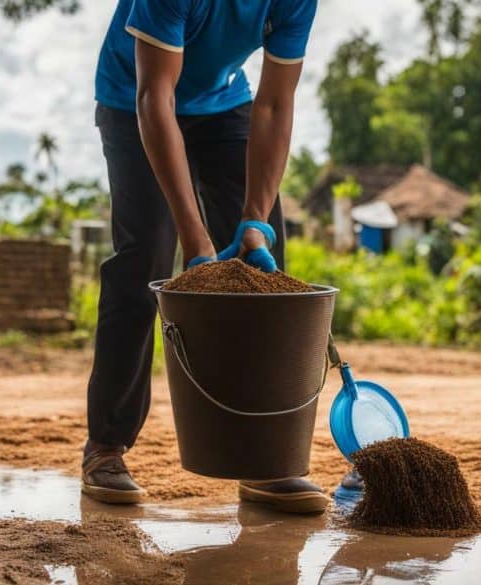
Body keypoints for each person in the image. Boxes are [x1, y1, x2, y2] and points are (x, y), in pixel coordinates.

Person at [82, 0, 326, 514]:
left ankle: (264, 461)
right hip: (135, 101)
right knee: (143, 257)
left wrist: (255, 221)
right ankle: (106, 447)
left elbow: (276, 103)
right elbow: (155, 97)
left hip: (222, 104)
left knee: (266, 274)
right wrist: (196, 242)